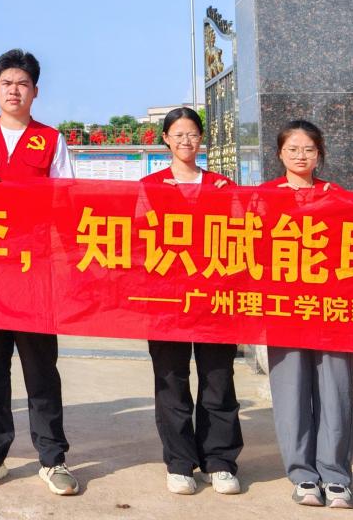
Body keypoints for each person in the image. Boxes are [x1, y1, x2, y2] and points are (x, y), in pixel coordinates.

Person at [0, 48, 79, 496]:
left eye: (22, 83)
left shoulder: (51, 139)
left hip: (36, 274)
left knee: (41, 370)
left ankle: (53, 458)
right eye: (7, 83)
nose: (14, 90)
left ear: (35, 91)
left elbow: (69, 202)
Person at [140, 107, 244, 496]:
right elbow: (137, 238)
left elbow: (240, 234)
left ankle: (220, 461)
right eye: (178, 134)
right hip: (166, 300)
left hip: (215, 298)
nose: (186, 141)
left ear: (202, 139)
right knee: (171, 380)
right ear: (166, 139)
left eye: (193, 134)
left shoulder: (222, 185)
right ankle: (180, 462)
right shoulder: (150, 186)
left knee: (218, 379)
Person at [259, 120, 353, 509]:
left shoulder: (339, 196)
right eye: (293, 149)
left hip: (333, 308)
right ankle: (302, 475)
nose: (301, 156)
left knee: (335, 391)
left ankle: (336, 476)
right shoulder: (263, 197)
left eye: (309, 149)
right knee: (291, 393)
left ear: (320, 154)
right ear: (280, 153)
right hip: (284, 308)